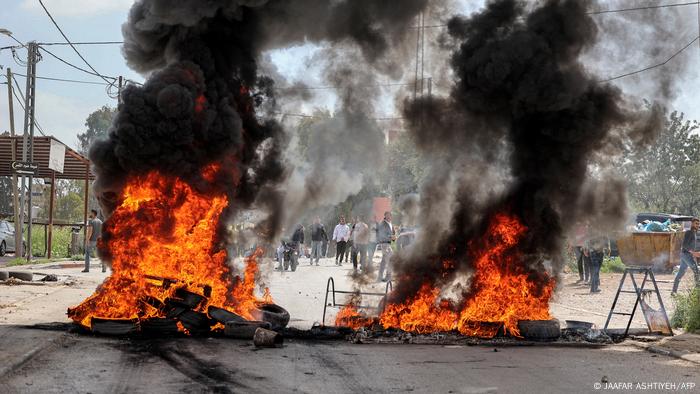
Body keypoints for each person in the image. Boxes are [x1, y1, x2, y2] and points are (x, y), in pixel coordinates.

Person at [672, 218, 700, 294]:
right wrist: (693, 253)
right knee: (697, 271)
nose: (697, 225)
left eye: (698, 223)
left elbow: (691, 245)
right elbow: (684, 245)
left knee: (680, 273)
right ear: (692, 224)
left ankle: (673, 292)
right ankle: (697, 292)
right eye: (696, 223)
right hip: (686, 255)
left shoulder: (694, 233)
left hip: (685, 255)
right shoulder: (689, 232)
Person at [376, 211, 395, 282]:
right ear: (385, 216)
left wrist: (393, 237)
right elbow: (381, 235)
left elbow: (392, 233)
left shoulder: (390, 224)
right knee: (390, 260)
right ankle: (388, 276)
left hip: (388, 244)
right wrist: (390, 237)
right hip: (384, 244)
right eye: (387, 215)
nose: (389, 217)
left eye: (390, 215)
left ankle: (379, 277)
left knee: (383, 261)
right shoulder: (382, 224)